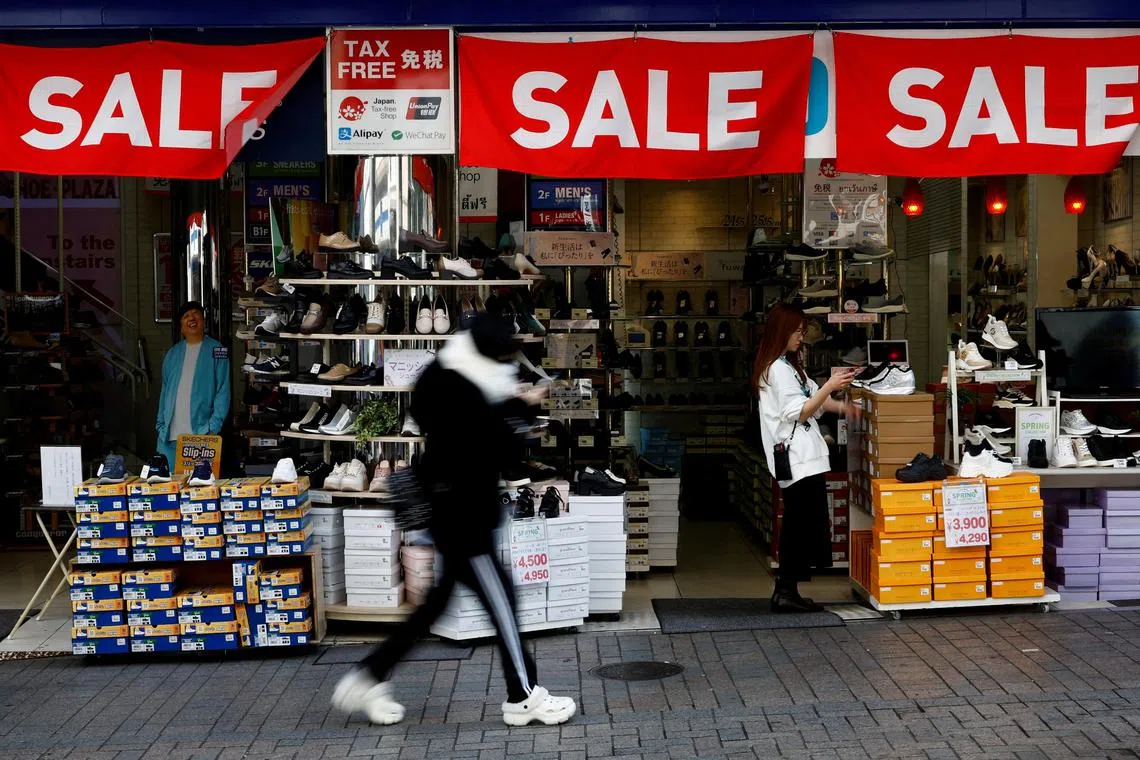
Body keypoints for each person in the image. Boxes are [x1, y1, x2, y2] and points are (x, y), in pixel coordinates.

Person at [331, 313, 577, 728]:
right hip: (466, 519)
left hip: (447, 510)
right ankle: (524, 697)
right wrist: (523, 408)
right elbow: (501, 448)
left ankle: (367, 677)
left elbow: (453, 425)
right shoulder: (474, 390)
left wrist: (509, 408)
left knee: (436, 606)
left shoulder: (444, 372)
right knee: (503, 604)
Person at [753, 304, 858, 613]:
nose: (801, 337)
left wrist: (845, 408)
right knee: (798, 524)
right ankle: (785, 591)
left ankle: (790, 589)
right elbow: (800, 411)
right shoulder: (776, 370)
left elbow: (817, 402)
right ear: (782, 332)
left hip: (806, 458)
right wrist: (830, 386)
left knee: (803, 523)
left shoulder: (788, 367)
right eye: (797, 331)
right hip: (795, 458)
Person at [155, 301, 231, 467]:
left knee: (201, 489)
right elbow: (164, 392)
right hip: (169, 438)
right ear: (181, 327)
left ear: (203, 321)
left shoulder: (218, 349)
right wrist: (160, 425)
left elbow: (223, 390)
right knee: (169, 487)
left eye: (196, 314)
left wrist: (213, 427)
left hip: (202, 435)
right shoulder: (172, 354)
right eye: (186, 316)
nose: (191, 318)